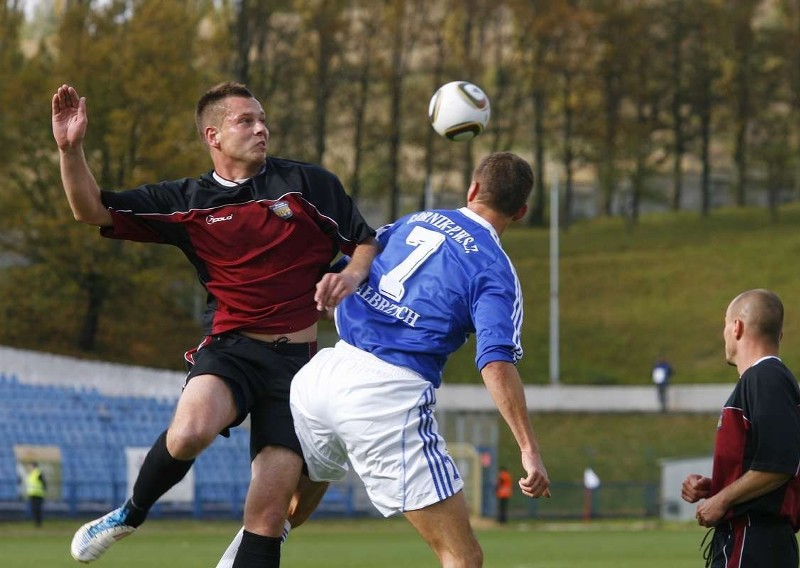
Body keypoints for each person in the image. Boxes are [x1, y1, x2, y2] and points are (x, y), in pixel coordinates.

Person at [51, 81, 377, 566]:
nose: (261, 128)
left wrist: (350, 274)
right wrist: (70, 150)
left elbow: (364, 242)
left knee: (267, 518)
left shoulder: (309, 185)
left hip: (297, 367)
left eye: (263, 119)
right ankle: (129, 515)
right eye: (245, 121)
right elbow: (89, 209)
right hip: (231, 348)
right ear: (213, 135)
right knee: (188, 433)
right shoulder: (187, 200)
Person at [217, 151, 550, 568]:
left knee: (288, 511)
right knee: (462, 558)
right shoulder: (495, 271)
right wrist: (528, 448)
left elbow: (352, 264)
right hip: (386, 397)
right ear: (520, 212)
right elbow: (496, 362)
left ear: (473, 190)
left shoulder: (413, 221)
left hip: (323, 376)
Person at [680, 289, 800, 568]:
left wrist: (722, 500)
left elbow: (778, 465)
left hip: (752, 540)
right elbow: (767, 463)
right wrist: (715, 487)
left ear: (736, 327)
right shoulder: (762, 380)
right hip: (753, 539)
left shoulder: (766, 377)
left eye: (725, 324)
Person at [24, 462, 46, 527]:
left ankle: (38, 523)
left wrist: (43, 491)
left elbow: (44, 483)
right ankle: (36, 522)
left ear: (33, 466)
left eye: (30, 466)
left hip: (38, 494)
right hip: (32, 494)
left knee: (37, 509)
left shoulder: (38, 473)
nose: (29, 467)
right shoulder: (32, 473)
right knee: (34, 509)